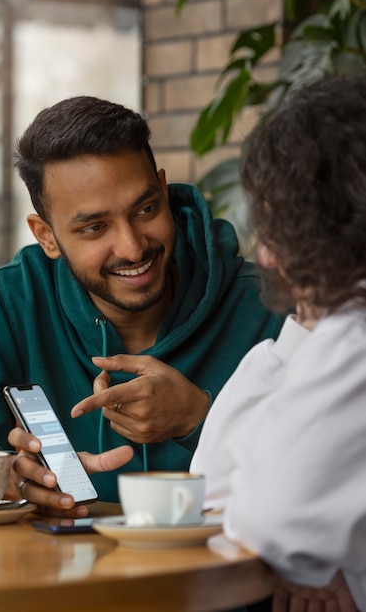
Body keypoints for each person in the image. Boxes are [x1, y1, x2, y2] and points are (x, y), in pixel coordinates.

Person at [0, 95, 283, 516]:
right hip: (65, 577)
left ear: (163, 189)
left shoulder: (271, 302)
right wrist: (9, 475)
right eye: (94, 227)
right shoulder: (13, 301)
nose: (132, 247)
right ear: (46, 236)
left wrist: (203, 417)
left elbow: (335, 458)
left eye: (145, 209)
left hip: (231, 577)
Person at [190, 72, 366, 612]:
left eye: (279, 225)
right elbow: (213, 499)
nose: (265, 255)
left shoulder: (355, 333)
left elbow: (263, 524)